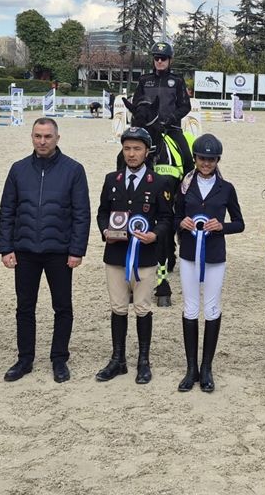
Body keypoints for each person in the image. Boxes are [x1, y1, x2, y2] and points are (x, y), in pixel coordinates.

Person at [0, 118, 90, 384]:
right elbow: (7, 210)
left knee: (62, 306)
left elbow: (81, 213)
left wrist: (77, 249)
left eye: (47, 136)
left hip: (59, 251)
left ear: (57, 138)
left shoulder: (73, 170)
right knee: (24, 307)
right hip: (25, 249)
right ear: (31, 137)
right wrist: (5, 247)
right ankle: (25, 358)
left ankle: (59, 357)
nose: (42, 141)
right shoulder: (18, 169)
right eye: (38, 136)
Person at [95, 127, 174, 384]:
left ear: (146, 151)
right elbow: (102, 212)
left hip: (145, 255)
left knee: (142, 308)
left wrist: (155, 234)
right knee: (117, 307)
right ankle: (118, 359)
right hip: (116, 254)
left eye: (137, 148)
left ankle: (143, 360)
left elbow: (166, 218)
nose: (131, 154)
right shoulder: (112, 180)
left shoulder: (160, 183)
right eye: (127, 148)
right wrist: (105, 229)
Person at [174, 133, 244, 392]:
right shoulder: (184, 186)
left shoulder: (226, 188)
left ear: (217, 160)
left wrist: (221, 226)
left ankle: (207, 368)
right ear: (195, 159)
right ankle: (191, 368)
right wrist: (180, 223)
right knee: (190, 308)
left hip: (214, 256)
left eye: (211, 159)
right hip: (189, 254)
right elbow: (173, 217)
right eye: (202, 159)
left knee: (211, 307)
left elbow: (240, 223)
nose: (206, 163)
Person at [132, 40, 193, 172]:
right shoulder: (144, 80)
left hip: (171, 129)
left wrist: (171, 118)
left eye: (163, 58)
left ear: (169, 60)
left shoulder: (177, 81)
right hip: (147, 129)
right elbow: (136, 104)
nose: (160, 61)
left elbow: (185, 106)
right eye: (157, 58)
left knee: (188, 159)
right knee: (124, 157)